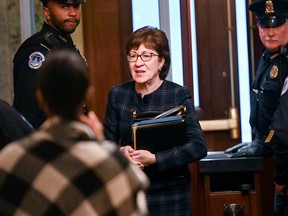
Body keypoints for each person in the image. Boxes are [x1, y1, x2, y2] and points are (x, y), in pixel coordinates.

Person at [0, 50, 149, 216]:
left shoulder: (9, 159)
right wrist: (101, 145)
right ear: (88, 94)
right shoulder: (115, 164)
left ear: (40, 97)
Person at [103, 26, 207, 216]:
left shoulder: (177, 94)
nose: (138, 63)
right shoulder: (118, 94)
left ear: (161, 62)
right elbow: (104, 145)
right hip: (130, 194)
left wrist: (155, 159)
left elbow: (198, 146)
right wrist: (119, 153)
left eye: (146, 56)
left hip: (171, 195)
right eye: (133, 56)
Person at [224, 0, 288, 215]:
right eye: (264, 25)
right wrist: (259, 141)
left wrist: (265, 144)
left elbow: (283, 125)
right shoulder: (268, 58)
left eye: (276, 25)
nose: (269, 32)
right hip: (275, 159)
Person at [13, 0, 86, 129]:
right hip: (47, 143)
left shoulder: (65, 44)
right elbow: (30, 113)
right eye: (64, 6)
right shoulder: (38, 51)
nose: (73, 13)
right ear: (47, 13)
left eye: (76, 6)